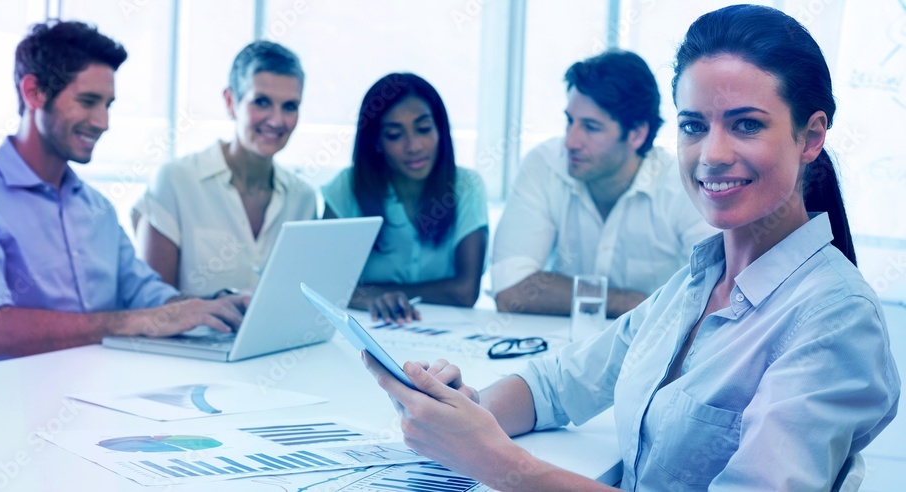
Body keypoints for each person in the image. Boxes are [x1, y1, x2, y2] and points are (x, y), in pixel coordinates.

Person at [363, 5, 900, 490]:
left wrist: (496, 462)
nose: (712, 154)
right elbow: (557, 383)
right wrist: (464, 414)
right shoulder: (695, 283)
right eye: (694, 125)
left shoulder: (834, 320)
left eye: (746, 125)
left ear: (810, 137)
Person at [0, 21, 248, 366]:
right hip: (13, 407)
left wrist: (211, 308)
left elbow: (144, 293)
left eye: (107, 104)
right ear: (34, 92)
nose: (103, 121)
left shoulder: (97, 208)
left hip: (105, 392)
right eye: (88, 101)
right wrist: (130, 322)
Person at [492, 50, 716, 318]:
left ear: (636, 134)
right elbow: (511, 289)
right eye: (569, 121)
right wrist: (633, 302)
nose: (570, 141)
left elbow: (714, 295)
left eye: (590, 127)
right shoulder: (545, 163)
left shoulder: (683, 185)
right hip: (563, 349)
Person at [133, 41, 316, 297]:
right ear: (231, 102)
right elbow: (151, 303)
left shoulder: (302, 199)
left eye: (290, 106)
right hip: (190, 338)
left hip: (275, 339)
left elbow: (305, 297)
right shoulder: (175, 181)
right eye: (261, 102)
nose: (277, 120)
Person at [322, 73, 488, 323]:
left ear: (440, 130)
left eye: (423, 129)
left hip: (449, 333)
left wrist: (382, 294)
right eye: (394, 134)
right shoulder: (345, 188)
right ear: (376, 141)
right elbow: (324, 285)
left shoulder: (466, 186)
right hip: (371, 329)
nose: (414, 146)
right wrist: (369, 299)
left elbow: (465, 292)